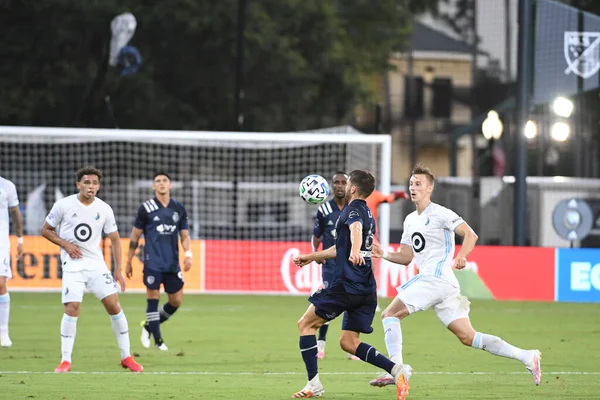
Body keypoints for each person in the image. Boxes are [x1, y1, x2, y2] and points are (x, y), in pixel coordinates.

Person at [368, 164, 541, 392]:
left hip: (435, 279)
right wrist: (385, 254)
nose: (413, 188)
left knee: (390, 314)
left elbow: (470, 234)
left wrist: (461, 255)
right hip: (444, 286)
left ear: (429, 188)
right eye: (411, 183)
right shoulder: (410, 220)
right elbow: (406, 257)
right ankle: (527, 356)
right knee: (468, 337)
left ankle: (396, 369)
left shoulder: (441, 213)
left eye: (418, 184)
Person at [292, 170, 411, 400]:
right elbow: (339, 248)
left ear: (353, 188)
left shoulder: (353, 209)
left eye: (346, 184)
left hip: (346, 284)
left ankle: (313, 385)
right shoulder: (367, 211)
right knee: (348, 342)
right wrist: (311, 256)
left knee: (305, 325)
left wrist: (356, 250)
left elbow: (355, 231)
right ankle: (397, 371)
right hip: (366, 288)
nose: (343, 187)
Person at [41, 166, 142, 373]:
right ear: (79, 184)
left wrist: (118, 270)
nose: (91, 187)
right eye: (87, 183)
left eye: (95, 183)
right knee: (72, 307)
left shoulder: (104, 209)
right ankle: (65, 360)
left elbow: (115, 240)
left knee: (114, 306)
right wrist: (65, 244)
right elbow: (45, 230)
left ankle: (126, 357)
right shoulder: (63, 205)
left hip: (96, 264)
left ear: (99, 187)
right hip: (73, 265)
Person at [126, 172, 192, 351]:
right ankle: (158, 340)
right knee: (153, 298)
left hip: (172, 263)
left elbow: (184, 235)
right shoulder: (145, 208)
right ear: (153, 186)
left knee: (176, 300)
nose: (161, 183)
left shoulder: (178, 208)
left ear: (170, 185)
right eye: (157, 181)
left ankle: (148, 326)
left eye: (164, 181)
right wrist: (129, 260)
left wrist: (188, 254)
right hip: (152, 262)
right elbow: (135, 236)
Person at [311, 171, 359, 360]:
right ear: (331, 186)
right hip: (331, 266)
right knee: (329, 301)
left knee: (353, 302)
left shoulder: (355, 209)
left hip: (351, 265)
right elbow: (316, 236)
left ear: (348, 185)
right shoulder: (323, 210)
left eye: (343, 182)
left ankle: (352, 345)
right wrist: (316, 254)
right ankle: (321, 344)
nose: (339, 185)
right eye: (336, 182)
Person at [0, 176, 24, 348]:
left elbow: (15, 213)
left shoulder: (7, 186)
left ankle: (3, 332)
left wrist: (20, 240)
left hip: (1, 239)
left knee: (1, 283)